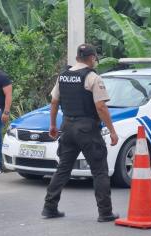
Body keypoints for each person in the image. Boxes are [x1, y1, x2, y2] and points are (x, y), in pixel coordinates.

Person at [42, 44, 119, 222]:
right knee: (99, 170)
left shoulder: (63, 77)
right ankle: (105, 212)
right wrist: (113, 131)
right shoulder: (92, 77)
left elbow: (54, 102)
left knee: (63, 168)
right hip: (87, 129)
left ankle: (49, 207)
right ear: (92, 58)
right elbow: (100, 106)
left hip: (67, 127)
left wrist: (53, 125)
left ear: (77, 58)